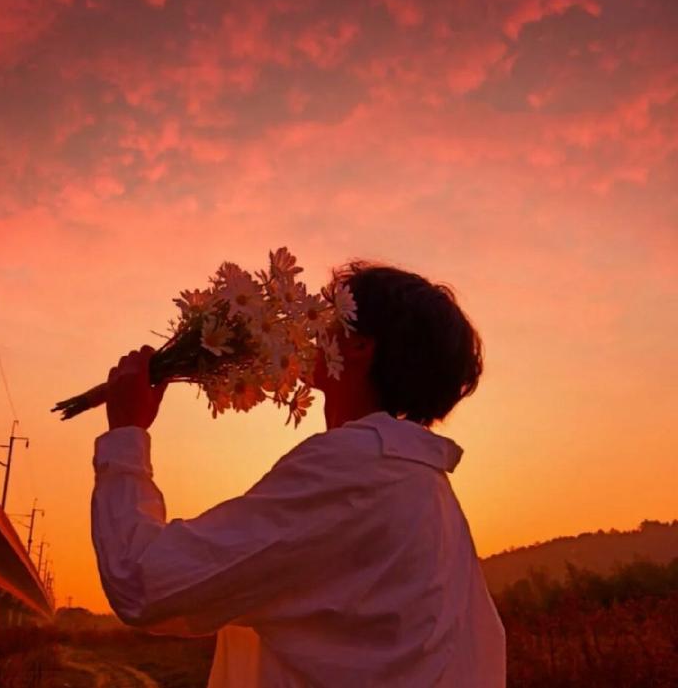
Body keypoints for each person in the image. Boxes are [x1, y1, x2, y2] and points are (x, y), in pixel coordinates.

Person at [91, 261, 506, 687]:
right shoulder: (429, 490)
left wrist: (126, 434)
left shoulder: (353, 470)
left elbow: (143, 582)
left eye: (330, 317)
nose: (310, 330)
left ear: (360, 345)